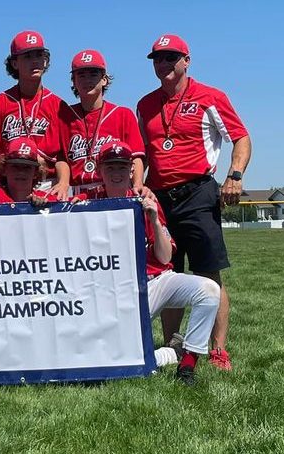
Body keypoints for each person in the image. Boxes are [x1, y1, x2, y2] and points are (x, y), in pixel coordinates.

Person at [137, 34, 251, 371]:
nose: (164, 64)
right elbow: (142, 153)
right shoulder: (145, 105)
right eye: (158, 58)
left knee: (208, 273)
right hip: (159, 196)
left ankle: (217, 349)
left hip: (197, 192)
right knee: (166, 273)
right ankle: (173, 344)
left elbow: (241, 137)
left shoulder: (210, 96)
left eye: (171, 57)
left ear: (187, 60)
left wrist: (235, 176)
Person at [86, 141, 221, 384]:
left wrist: (155, 220)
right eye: (110, 167)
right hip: (114, 291)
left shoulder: (144, 199)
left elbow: (165, 257)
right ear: (99, 171)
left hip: (155, 282)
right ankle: (168, 354)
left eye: (122, 167)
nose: (116, 173)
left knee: (209, 291)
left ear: (131, 171)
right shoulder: (90, 200)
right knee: (110, 353)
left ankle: (188, 364)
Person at [40, 50, 145, 198]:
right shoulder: (63, 116)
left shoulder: (123, 114)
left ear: (104, 79)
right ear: (74, 81)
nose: (87, 80)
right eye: (81, 75)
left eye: (93, 74)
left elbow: (135, 157)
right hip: (79, 194)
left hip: (114, 190)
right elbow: (59, 158)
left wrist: (138, 183)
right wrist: (63, 182)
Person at [0, 30, 69, 196]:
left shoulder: (59, 105)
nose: (35, 61)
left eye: (39, 55)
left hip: (46, 184)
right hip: (8, 183)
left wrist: (64, 183)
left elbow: (62, 158)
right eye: (27, 56)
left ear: (45, 61)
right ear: (15, 63)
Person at [0, 138, 56, 203]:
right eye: (15, 166)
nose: (21, 172)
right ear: (4, 170)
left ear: (36, 173)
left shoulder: (48, 201)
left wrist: (43, 209)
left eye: (27, 167)